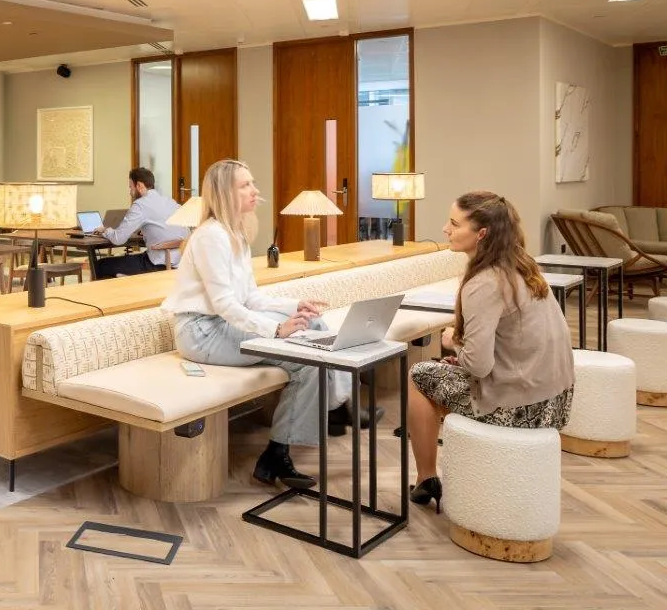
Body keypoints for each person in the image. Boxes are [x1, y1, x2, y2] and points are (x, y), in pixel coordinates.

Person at [161, 159, 378, 489]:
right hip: (203, 333)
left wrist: (295, 306)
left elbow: (251, 297)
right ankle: (313, 425)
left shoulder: (235, 234)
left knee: (313, 326)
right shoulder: (210, 237)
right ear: (224, 193)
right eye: (245, 185)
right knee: (306, 357)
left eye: (252, 183)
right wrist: (277, 330)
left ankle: (312, 426)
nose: (255, 190)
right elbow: (224, 305)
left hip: (223, 326)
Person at [406, 191, 574, 512]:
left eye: (455, 224)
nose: (445, 229)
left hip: (519, 408)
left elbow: (479, 366)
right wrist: (465, 355)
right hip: (556, 400)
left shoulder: (484, 283)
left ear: (481, 233)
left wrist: (453, 341)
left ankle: (426, 477)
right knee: (444, 373)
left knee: (418, 376)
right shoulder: (522, 265)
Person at [93, 167, 190, 279]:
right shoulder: (171, 201)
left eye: (131, 187)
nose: (130, 192)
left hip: (158, 265)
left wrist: (105, 230)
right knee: (134, 258)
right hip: (180, 264)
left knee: (100, 265)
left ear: (139, 185)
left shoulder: (140, 205)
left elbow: (118, 239)